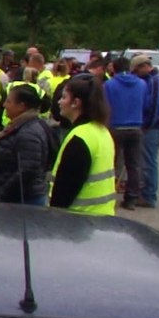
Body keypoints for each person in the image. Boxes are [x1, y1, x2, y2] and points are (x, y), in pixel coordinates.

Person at [51, 75, 116, 215]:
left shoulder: (79, 138)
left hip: (78, 217)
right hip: (102, 213)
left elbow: (66, 189)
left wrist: (54, 214)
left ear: (76, 102)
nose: (59, 102)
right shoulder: (101, 130)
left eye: (64, 97)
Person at [0, 85, 54, 206]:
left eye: (8, 101)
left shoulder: (28, 132)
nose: (4, 105)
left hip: (21, 201)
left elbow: (27, 170)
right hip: (16, 197)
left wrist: (3, 191)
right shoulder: (18, 126)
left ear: (21, 106)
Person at [103, 56, 150, 210]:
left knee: (112, 163)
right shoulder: (142, 84)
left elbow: (106, 106)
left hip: (116, 126)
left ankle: (108, 193)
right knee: (134, 165)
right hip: (135, 126)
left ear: (114, 69)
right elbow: (146, 104)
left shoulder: (109, 85)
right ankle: (131, 197)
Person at [133, 55, 159, 209]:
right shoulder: (153, 80)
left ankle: (149, 195)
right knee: (147, 160)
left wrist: (146, 125)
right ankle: (146, 192)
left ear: (143, 67)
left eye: (136, 70)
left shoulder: (155, 81)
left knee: (149, 161)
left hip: (152, 126)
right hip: (152, 125)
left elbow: (154, 106)